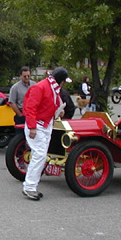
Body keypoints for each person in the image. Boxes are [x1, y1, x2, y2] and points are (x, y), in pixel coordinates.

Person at [21, 67, 69, 200]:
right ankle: (30, 186)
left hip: (44, 124)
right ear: (61, 80)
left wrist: (58, 111)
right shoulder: (43, 87)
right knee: (39, 156)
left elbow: (45, 105)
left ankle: (31, 185)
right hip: (39, 125)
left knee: (40, 156)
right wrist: (32, 127)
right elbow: (30, 108)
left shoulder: (49, 87)